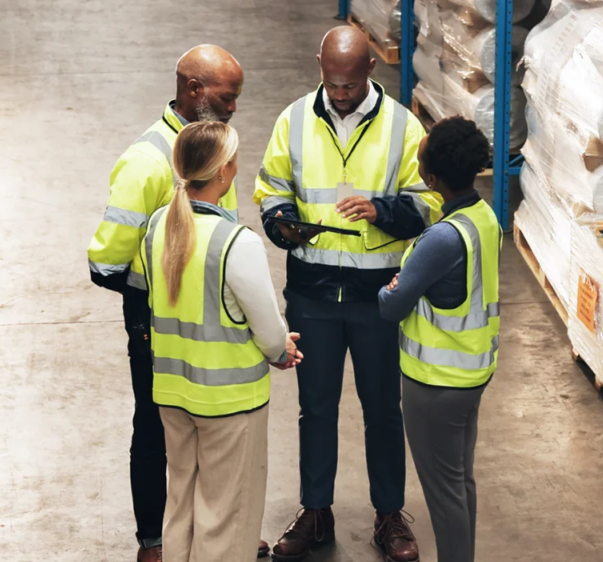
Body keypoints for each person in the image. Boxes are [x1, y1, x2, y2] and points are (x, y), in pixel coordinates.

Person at [253, 26, 442, 562]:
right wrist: (282, 224)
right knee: (315, 408)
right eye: (332, 83)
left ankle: (389, 516)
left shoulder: (404, 127)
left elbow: (427, 202)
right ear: (319, 65)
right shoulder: (292, 119)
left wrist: (381, 210)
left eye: (350, 85)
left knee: (383, 408)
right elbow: (271, 188)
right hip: (312, 293)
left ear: (370, 73)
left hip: (376, 295)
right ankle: (316, 512)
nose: (339, 94)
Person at [86, 45, 270, 561]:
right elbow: (104, 265)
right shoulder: (146, 163)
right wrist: (165, 294)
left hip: (211, 317)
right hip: (158, 319)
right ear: (194, 91)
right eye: (227, 97)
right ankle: (154, 540)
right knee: (156, 424)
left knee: (207, 429)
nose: (234, 107)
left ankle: (219, 530)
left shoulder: (214, 149)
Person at [140, 121, 302, 562]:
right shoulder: (236, 243)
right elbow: (267, 328)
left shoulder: (159, 226)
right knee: (225, 521)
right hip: (230, 403)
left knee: (182, 510)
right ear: (225, 172)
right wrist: (280, 350)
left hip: (173, 394)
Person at [377, 117, 501, 562]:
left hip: (435, 383)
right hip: (470, 375)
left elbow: (391, 306)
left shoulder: (441, 240)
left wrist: (391, 285)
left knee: (444, 494)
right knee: (460, 481)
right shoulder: (481, 217)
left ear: (431, 179)